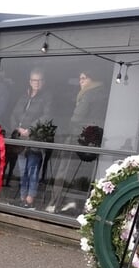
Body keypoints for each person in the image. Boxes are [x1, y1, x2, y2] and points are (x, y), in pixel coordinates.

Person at [45, 69, 108, 214]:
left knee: (64, 171)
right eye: (80, 78)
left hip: (76, 139)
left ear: (93, 80)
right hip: (91, 142)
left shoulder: (88, 95)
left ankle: (55, 203)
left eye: (84, 78)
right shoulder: (104, 95)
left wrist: (66, 129)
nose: (81, 81)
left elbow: (77, 119)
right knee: (82, 173)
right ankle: (74, 202)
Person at [10, 68, 53, 209]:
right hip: (21, 140)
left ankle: (29, 200)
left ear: (44, 82)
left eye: (40, 80)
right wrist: (17, 128)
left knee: (32, 170)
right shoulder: (24, 96)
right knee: (23, 171)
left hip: (35, 139)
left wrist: (31, 129)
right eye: (34, 80)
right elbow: (14, 114)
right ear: (30, 81)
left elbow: (47, 116)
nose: (37, 83)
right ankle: (22, 198)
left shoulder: (47, 96)